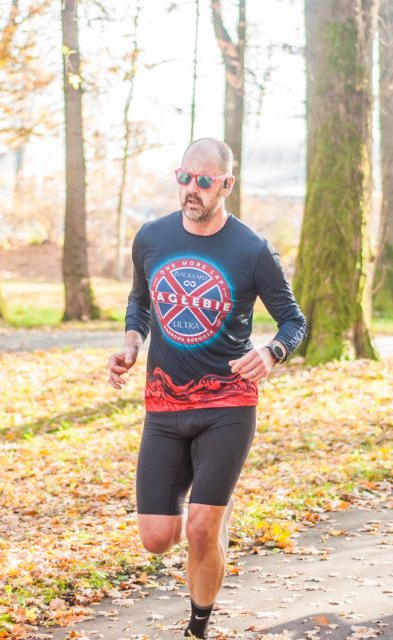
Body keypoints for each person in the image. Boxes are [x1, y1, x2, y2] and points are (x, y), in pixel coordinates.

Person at [107, 138, 307, 639]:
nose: (191, 190)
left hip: (227, 403)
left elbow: (294, 321)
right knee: (158, 539)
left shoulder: (252, 250)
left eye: (203, 181)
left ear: (226, 185)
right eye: (184, 178)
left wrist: (270, 352)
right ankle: (213, 521)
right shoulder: (151, 238)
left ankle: (197, 628)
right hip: (164, 405)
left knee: (200, 529)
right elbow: (141, 300)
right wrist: (132, 344)